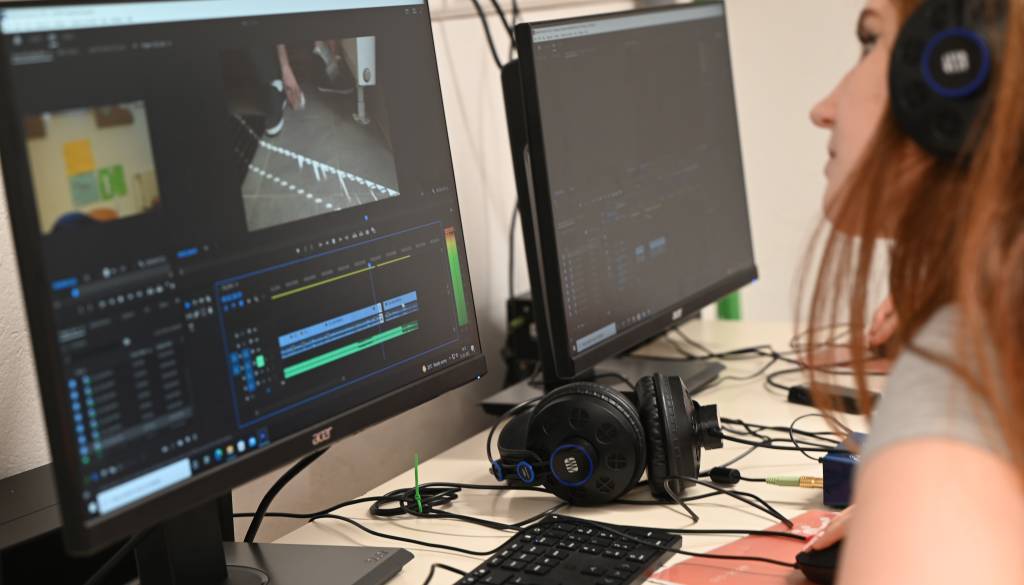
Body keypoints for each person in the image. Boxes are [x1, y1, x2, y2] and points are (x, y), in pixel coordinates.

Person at [799, 0, 1024, 582]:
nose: (823, 110)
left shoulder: (963, 379)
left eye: (870, 41)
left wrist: (916, 499)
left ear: (957, 67)